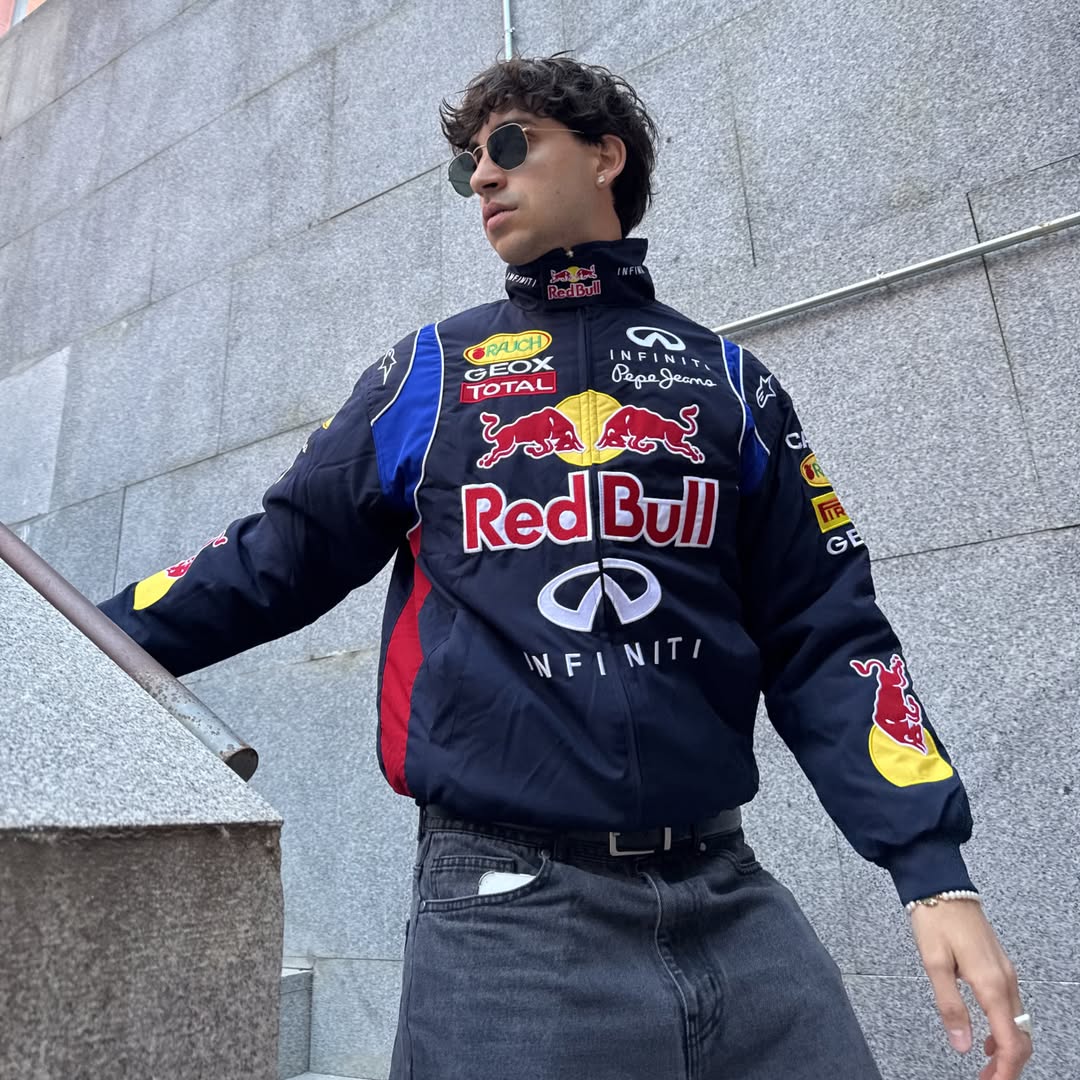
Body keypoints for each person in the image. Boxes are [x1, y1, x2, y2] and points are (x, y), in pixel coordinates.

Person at [99, 56, 1032, 1080]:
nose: (483, 180)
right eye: (468, 168)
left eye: (508, 145)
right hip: (508, 916)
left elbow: (830, 631)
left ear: (604, 155)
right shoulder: (427, 375)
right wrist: (81, 638)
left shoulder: (729, 383)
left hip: (730, 893)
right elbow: (272, 558)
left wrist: (930, 867)